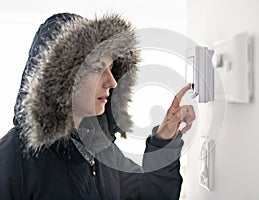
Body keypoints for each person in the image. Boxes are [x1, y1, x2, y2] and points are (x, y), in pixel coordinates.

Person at [0, 12, 196, 200]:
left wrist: (163, 140)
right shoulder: (14, 157)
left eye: (111, 69)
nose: (112, 82)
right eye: (97, 69)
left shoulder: (103, 151)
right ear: (62, 77)